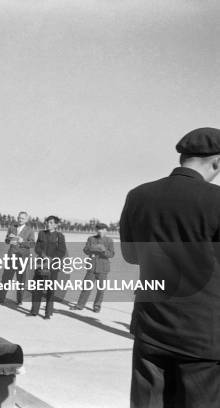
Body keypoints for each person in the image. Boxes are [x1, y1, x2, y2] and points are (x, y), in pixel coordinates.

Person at [120, 127, 220, 407]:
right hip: (202, 336)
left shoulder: (138, 195)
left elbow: (130, 255)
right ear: (217, 162)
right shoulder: (215, 200)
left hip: (151, 327)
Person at [72, 223, 115, 312]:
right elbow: (85, 250)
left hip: (103, 268)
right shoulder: (91, 239)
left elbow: (111, 254)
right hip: (91, 267)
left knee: (100, 289)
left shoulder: (109, 240)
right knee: (86, 287)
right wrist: (94, 248)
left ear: (106, 230)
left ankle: (97, 306)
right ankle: (80, 305)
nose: (100, 231)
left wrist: (103, 250)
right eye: (98, 229)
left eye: (102, 229)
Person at [30, 216, 66, 319]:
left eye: (51, 223)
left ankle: (47, 313)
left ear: (56, 224)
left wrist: (51, 258)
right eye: (47, 222)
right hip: (41, 263)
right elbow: (37, 247)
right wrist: (42, 255)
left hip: (53, 266)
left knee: (50, 289)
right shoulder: (41, 233)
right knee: (37, 287)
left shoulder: (60, 236)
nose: (48, 224)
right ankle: (34, 311)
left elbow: (62, 251)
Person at [0, 211, 36, 305]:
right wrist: (9, 239)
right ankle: (1, 299)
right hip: (11, 256)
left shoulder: (30, 230)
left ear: (26, 220)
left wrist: (22, 242)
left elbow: (32, 244)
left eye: (22, 218)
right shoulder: (12, 227)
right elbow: (6, 240)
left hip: (22, 258)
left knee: (21, 279)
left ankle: (19, 300)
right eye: (19, 217)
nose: (20, 219)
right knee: (6, 278)